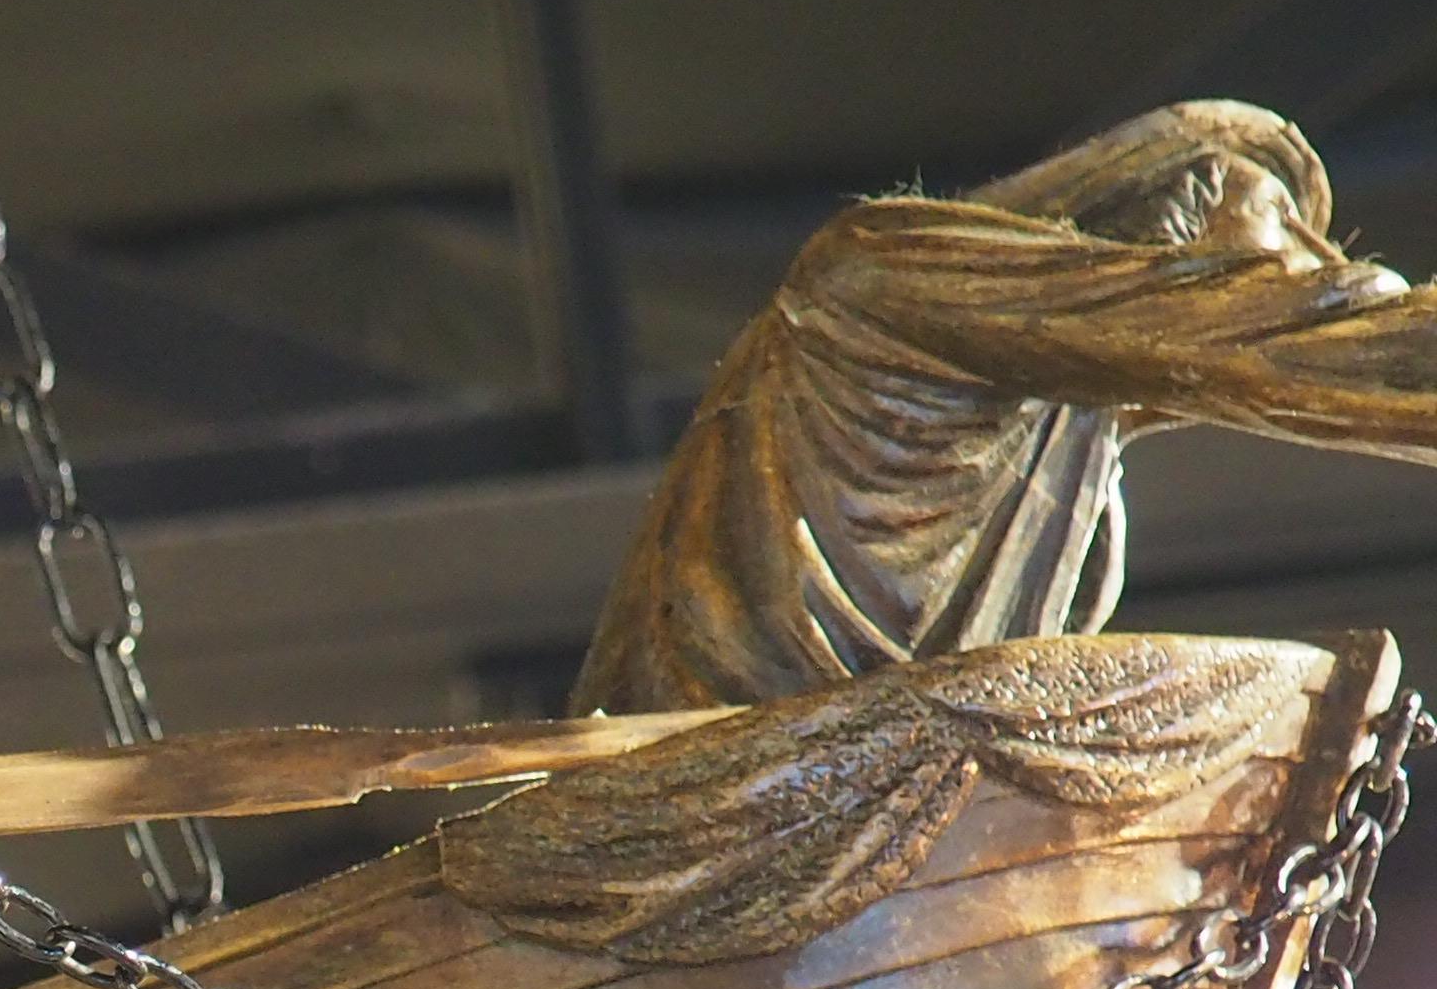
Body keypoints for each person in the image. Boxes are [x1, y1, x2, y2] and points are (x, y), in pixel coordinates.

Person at [578, 99, 1437, 714]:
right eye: (1283, 219)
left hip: (867, 790)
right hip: (733, 747)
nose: (1308, 262)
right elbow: (1286, 337)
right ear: (1177, 195)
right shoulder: (884, 275)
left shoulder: (1065, 420)